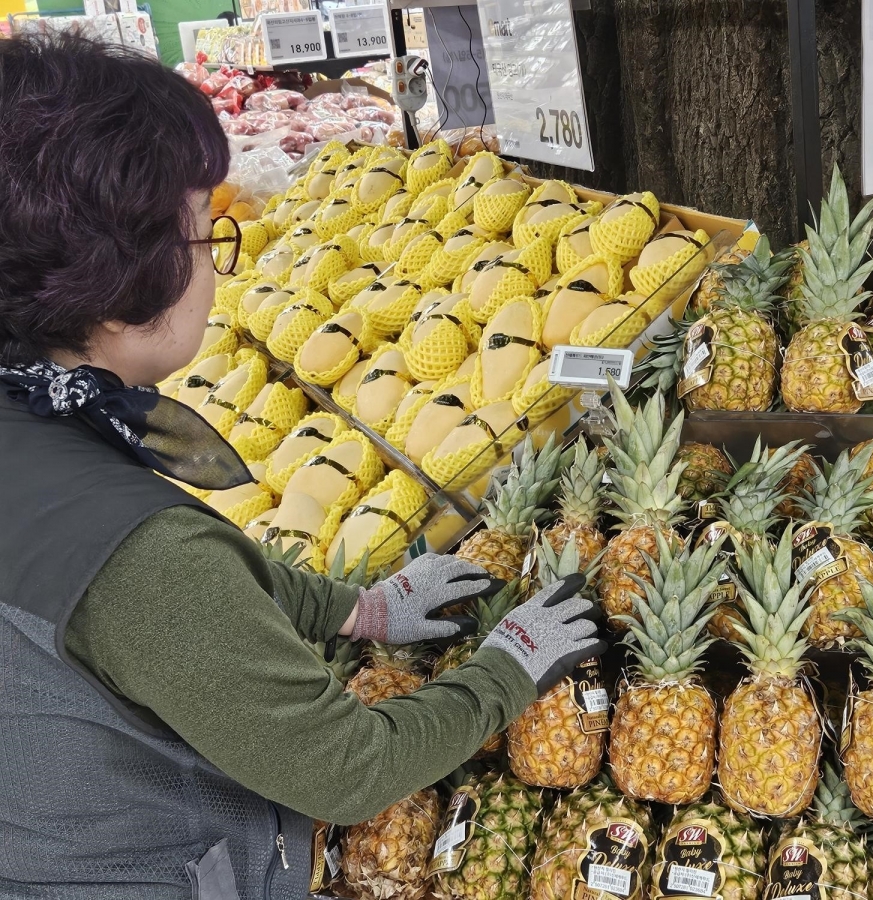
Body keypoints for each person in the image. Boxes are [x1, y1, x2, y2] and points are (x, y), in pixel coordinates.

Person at [0, 34, 605, 900]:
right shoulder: (140, 556)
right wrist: (508, 665)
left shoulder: (30, 416)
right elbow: (346, 770)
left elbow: (170, 619)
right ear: (128, 272)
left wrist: (355, 611)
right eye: (205, 234)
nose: (216, 261)